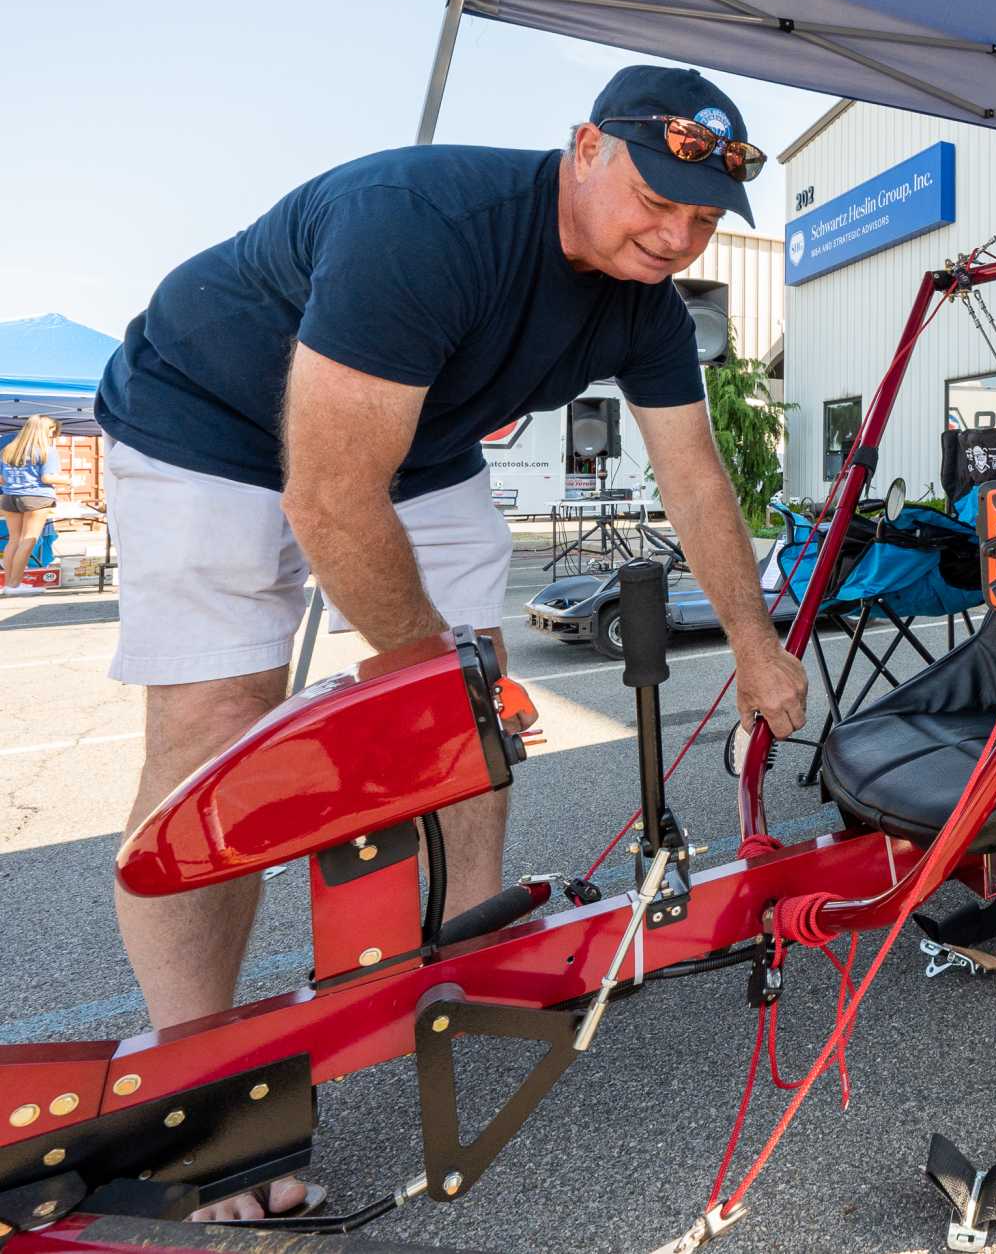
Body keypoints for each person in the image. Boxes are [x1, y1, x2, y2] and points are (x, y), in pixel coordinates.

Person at [96, 65, 809, 1222]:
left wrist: (752, 640)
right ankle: (200, 1086)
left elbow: (693, 476)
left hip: (416, 446)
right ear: (585, 148)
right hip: (204, 421)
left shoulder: (644, 304)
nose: (675, 237)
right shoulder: (426, 226)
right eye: (655, 200)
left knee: (474, 698)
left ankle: (466, 944)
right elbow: (329, 496)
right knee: (217, 727)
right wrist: (420, 669)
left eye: (700, 219)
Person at [0, 414, 61, 593]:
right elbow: (47, 477)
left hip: (10, 497)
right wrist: (69, 481)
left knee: (13, 540)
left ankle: (8, 583)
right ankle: (15, 584)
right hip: (36, 497)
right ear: (43, 430)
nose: (52, 435)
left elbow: (2, 479)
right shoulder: (47, 451)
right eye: (52, 431)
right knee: (29, 540)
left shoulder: (10, 449)